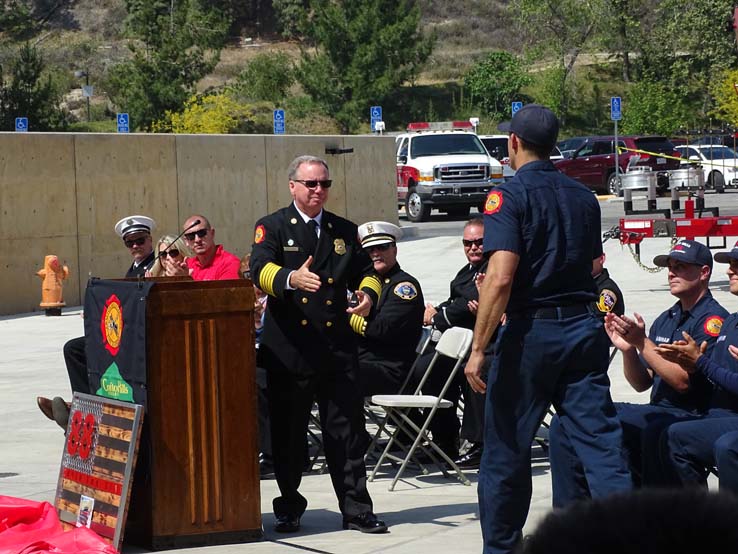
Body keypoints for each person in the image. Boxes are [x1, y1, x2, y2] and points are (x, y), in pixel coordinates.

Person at [464, 104, 632, 554]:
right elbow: (592, 265)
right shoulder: (582, 196)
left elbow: (500, 276)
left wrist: (478, 348)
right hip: (582, 329)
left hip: (530, 336)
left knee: (505, 452)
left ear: (514, 143)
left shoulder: (508, 196)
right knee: (601, 446)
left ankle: (500, 548)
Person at [250, 154, 388, 534]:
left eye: (324, 184)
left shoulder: (344, 230)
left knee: (346, 431)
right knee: (289, 435)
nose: (318, 191)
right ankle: (289, 505)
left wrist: (368, 296)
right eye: (310, 184)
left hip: (336, 348)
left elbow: (367, 272)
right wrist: (292, 278)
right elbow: (258, 269)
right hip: (291, 348)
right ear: (292, 185)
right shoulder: (273, 226)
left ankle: (357, 508)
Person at [549, 239, 727, 506]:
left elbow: (682, 383)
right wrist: (629, 349)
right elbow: (642, 383)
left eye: (680, 267)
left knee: (635, 429)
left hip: (688, 415)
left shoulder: (712, 321)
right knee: (567, 421)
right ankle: (572, 518)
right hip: (657, 410)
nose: (671, 273)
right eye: (670, 267)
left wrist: (642, 342)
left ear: (704, 273)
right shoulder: (667, 318)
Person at [37, 215, 157, 429]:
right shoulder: (136, 266)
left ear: (150, 240)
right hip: (124, 334)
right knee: (74, 349)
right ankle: (84, 405)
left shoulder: (155, 265)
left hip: (140, 338)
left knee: (79, 350)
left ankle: (83, 408)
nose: (136, 246)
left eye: (140, 240)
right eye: (130, 242)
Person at [656, 242, 738, 490]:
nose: (729, 271)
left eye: (737, 265)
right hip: (718, 414)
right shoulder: (732, 322)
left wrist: (700, 363)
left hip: (729, 417)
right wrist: (693, 366)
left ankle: (708, 521)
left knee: (676, 435)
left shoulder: (716, 318)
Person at [417, 217, 489, 467]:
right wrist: (438, 310)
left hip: (490, 346)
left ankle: (479, 444)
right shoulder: (465, 272)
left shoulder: (493, 267)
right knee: (425, 369)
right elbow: (458, 301)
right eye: (468, 243)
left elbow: (465, 303)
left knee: (477, 373)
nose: (473, 247)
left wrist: (438, 316)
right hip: (462, 345)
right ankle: (444, 440)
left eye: (479, 242)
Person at [351, 221, 424, 396]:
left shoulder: (404, 287)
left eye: (382, 247)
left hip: (389, 370)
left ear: (395, 249)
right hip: (366, 363)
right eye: (370, 250)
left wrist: (345, 316)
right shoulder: (368, 285)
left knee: (336, 374)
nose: (375, 254)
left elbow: (382, 329)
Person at [183, 215, 241, 281]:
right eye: (191, 236)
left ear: (212, 233)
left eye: (202, 233)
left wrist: (187, 281)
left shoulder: (230, 263)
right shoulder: (187, 266)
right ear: (186, 241)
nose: (197, 239)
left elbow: (225, 291)